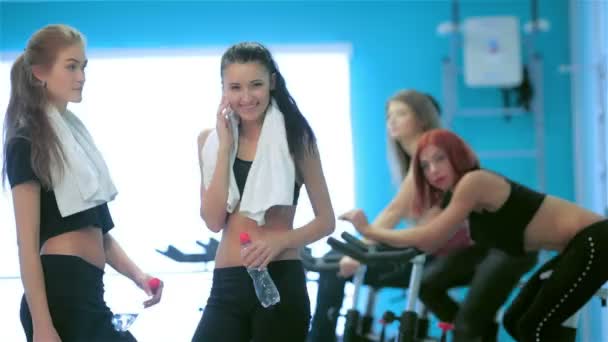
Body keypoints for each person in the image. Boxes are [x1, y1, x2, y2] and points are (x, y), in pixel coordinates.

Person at [350, 128, 608, 342]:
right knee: (514, 320)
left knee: (534, 327)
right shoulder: (458, 196)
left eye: (440, 159)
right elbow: (424, 234)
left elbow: (430, 237)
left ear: (457, 156)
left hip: (596, 241)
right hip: (575, 248)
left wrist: (370, 231)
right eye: (425, 166)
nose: (433, 170)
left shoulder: (474, 182)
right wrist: (371, 243)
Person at [1, 24, 163, 342]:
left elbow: (99, 234)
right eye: (71, 66)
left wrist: (139, 276)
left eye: (83, 66)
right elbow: (26, 243)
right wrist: (43, 325)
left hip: (88, 291)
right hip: (59, 296)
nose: (82, 76)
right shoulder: (25, 142)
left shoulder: (77, 146)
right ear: (39, 73)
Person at [192, 41, 335, 342]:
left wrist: (278, 241)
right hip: (226, 285)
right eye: (235, 87)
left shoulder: (297, 138)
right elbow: (213, 220)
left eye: (255, 85)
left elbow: (326, 221)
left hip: (281, 281)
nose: (246, 97)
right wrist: (225, 147)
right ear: (223, 89)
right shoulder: (210, 141)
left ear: (272, 82)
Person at [308, 89, 444, 342]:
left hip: (432, 258)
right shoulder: (416, 160)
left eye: (401, 113)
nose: (391, 121)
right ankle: (321, 334)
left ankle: (320, 337)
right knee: (333, 260)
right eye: (389, 115)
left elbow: (393, 213)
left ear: (423, 118)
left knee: (335, 263)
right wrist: (360, 248)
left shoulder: (429, 158)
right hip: (420, 250)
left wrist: (359, 250)